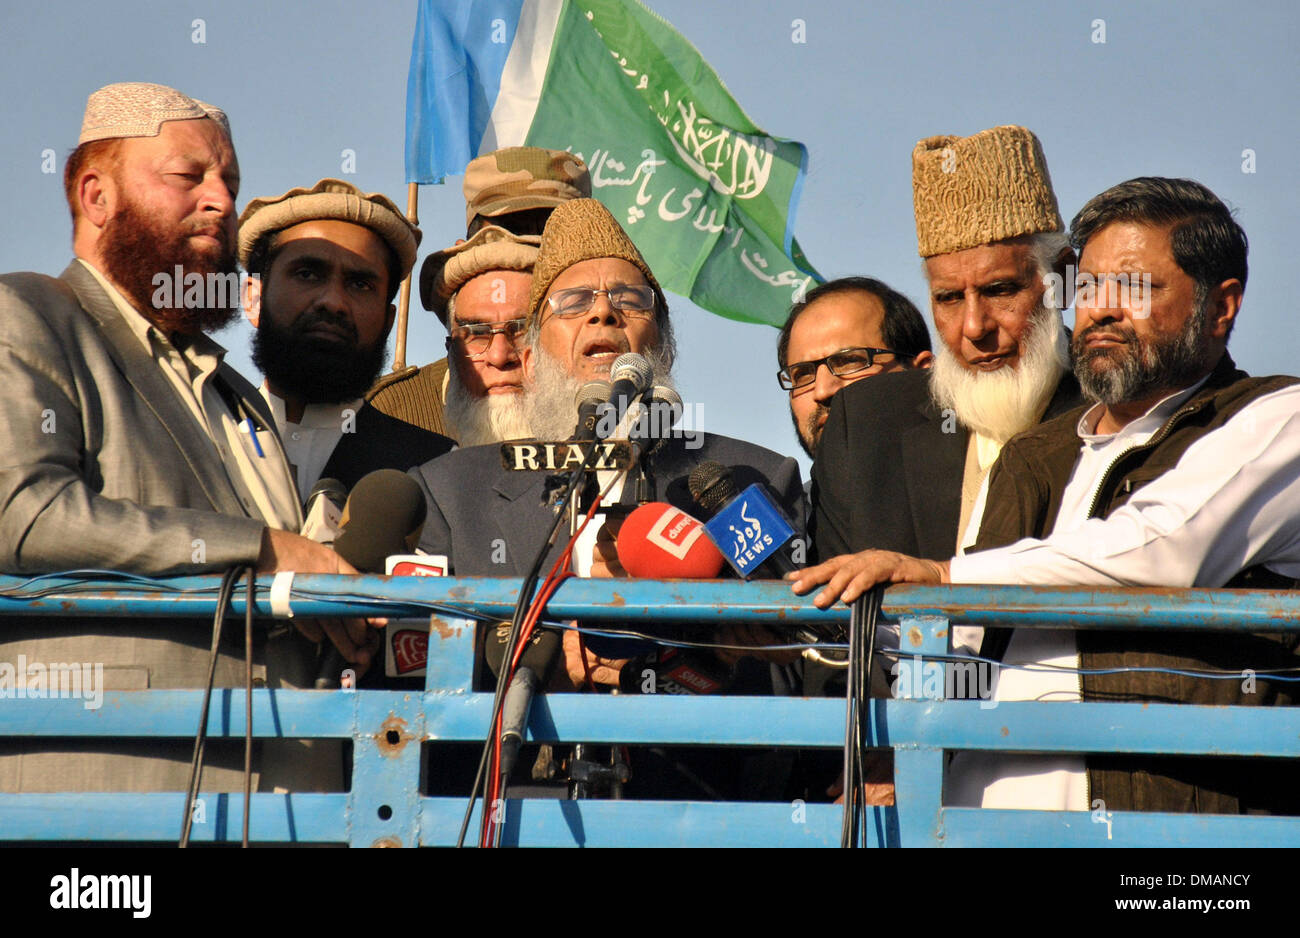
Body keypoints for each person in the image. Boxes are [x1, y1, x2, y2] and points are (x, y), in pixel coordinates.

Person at [795, 177, 1300, 815]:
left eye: (1134, 286)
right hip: (978, 824)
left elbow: (1161, 549)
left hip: (1165, 837)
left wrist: (940, 575)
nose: (1103, 309)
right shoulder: (1037, 456)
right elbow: (959, 652)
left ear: (1221, 306)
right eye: (1088, 287)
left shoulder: (1275, 419)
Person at [0, 82, 372, 793]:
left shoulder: (236, 395)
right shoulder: (28, 313)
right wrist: (266, 549)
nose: (222, 202)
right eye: (190, 176)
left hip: (281, 803)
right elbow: (22, 513)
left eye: (229, 182)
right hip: (116, 791)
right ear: (96, 195)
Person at [814, 125, 1083, 564]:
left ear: (1063, 279)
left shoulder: (1118, 414)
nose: (974, 328)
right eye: (950, 298)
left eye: (999, 290)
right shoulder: (864, 426)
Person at [238, 178, 453, 492]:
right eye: (307, 274)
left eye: (360, 284)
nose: (333, 302)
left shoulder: (437, 470)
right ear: (254, 299)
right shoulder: (199, 437)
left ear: (388, 320)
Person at [367, 147, 590, 442]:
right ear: (469, 248)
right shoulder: (391, 414)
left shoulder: (621, 408)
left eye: (554, 241)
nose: (531, 254)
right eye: (508, 234)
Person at [777, 276, 932, 460]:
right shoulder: (776, 487)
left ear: (923, 373)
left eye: (850, 361)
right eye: (803, 374)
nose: (822, 391)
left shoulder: (971, 484)